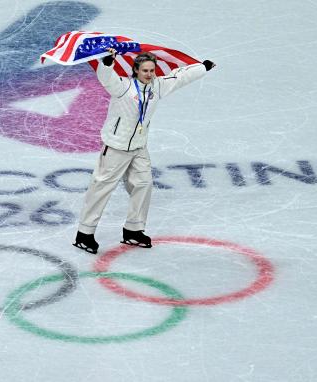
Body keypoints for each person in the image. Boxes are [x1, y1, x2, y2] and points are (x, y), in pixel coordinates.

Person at [73, 47, 216, 254]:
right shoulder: (123, 87)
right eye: (145, 71)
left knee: (143, 184)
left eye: (152, 70)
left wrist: (203, 67)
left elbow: (180, 77)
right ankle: (85, 233)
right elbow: (106, 78)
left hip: (139, 147)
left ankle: (133, 230)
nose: (149, 74)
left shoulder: (157, 86)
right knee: (101, 188)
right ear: (136, 70)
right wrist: (107, 62)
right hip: (116, 147)